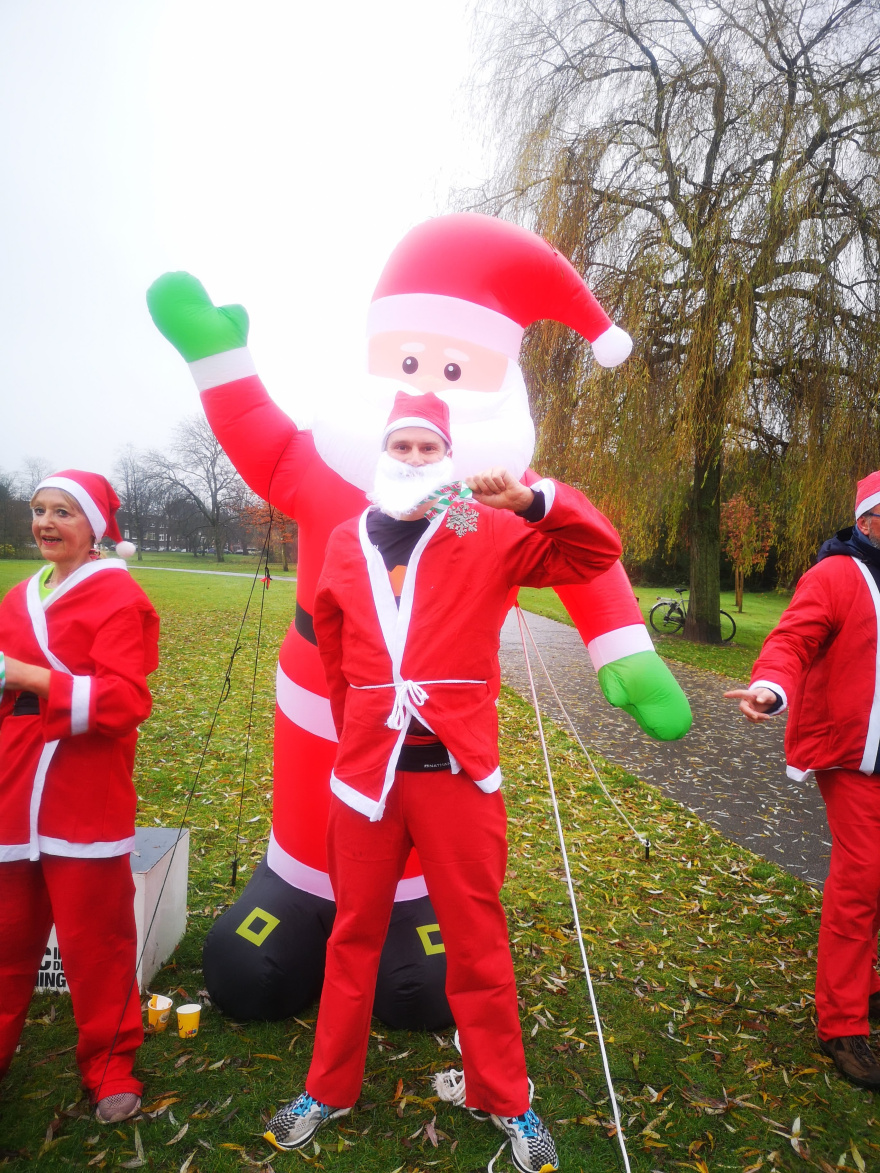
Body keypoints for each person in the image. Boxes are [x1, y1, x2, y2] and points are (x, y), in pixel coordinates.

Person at [146, 213, 690, 1026]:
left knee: (419, 882)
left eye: (452, 368)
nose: (428, 386)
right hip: (325, 698)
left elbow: (583, 546)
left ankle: (414, 902)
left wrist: (624, 646)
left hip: (443, 721)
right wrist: (217, 355)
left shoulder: (498, 492)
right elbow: (256, 437)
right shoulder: (325, 461)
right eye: (407, 364)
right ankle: (297, 886)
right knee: (301, 847)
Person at [263, 391, 623, 1173]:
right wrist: (366, 725)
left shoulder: (479, 524)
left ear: (449, 457)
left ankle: (506, 1093)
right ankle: (328, 1086)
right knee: (351, 932)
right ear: (383, 456)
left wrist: (533, 500)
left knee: (478, 938)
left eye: (431, 448)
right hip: (368, 778)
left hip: (459, 772)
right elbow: (334, 656)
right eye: (405, 447)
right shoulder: (346, 536)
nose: (417, 460)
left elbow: (594, 553)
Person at [0, 470, 159, 1123]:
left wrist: (25, 675)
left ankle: (109, 1061)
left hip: (83, 788)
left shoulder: (122, 599)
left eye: (63, 511)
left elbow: (125, 700)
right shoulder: (15, 597)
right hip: (12, 784)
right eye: (39, 510)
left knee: (99, 941)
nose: (45, 522)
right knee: (6, 932)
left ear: (93, 525)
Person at [725, 469, 880, 1090]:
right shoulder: (838, 574)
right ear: (868, 519)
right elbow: (793, 640)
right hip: (854, 759)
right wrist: (770, 687)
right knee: (863, 877)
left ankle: (862, 982)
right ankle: (841, 1023)